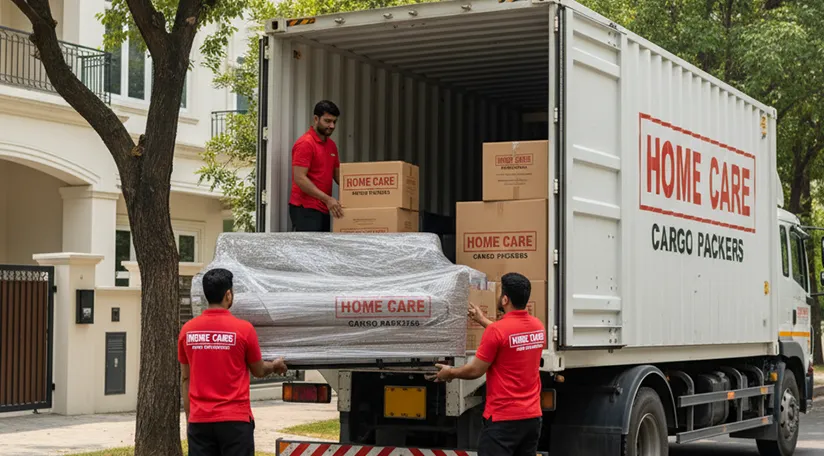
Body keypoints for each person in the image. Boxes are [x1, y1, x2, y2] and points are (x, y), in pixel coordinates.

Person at [427, 272, 545, 456]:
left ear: (505, 299)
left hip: (503, 421)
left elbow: (475, 370)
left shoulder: (497, 331)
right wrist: (482, 320)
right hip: (532, 419)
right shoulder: (538, 326)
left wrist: (450, 373)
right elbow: (510, 337)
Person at [178, 268, 288, 456]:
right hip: (235, 422)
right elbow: (259, 370)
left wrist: (191, 419)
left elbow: (185, 379)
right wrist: (275, 365)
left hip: (200, 422)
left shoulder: (188, 331)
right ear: (228, 294)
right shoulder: (243, 330)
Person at [289, 100, 344, 232]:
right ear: (315, 119)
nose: (331, 126)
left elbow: (339, 176)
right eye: (327, 121)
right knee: (309, 251)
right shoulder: (305, 144)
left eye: (334, 122)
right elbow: (300, 178)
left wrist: (361, 191)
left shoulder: (331, 145)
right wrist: (327, 199)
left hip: (323, 207)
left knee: (321, 250)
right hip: (305, 209)